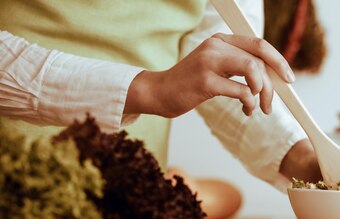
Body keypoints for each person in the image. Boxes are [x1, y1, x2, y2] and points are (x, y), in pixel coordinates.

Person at [0, 0, 321, 189]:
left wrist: (302, 158)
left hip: (130, 205)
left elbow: (223, 70)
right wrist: (148, 89)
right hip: (14, 188)